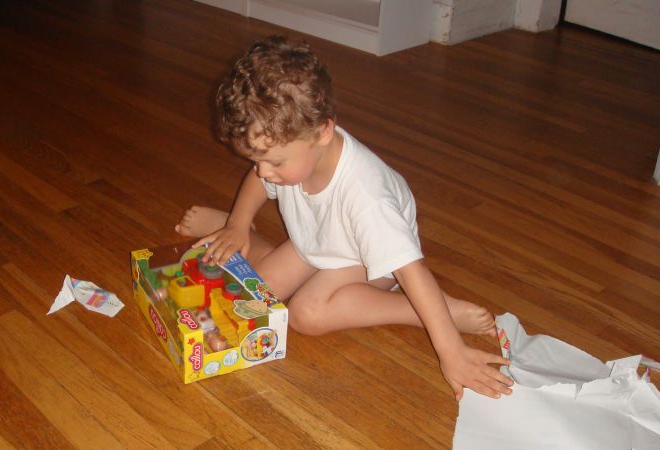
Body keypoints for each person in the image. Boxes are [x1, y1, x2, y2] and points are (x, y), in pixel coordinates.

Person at [175, 35, 512, 400]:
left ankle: (430, 312)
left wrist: (451, 351)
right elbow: (259, 182)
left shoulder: (368, 197)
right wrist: (239, 222)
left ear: (323, 132)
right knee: (257, 295)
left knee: (306, 313)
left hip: (366, 258)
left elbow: (410, 271)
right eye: (255, 160)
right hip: (316, 240)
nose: (262, 171)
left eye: (273, 162)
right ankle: (236, 229)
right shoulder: (291, 152)